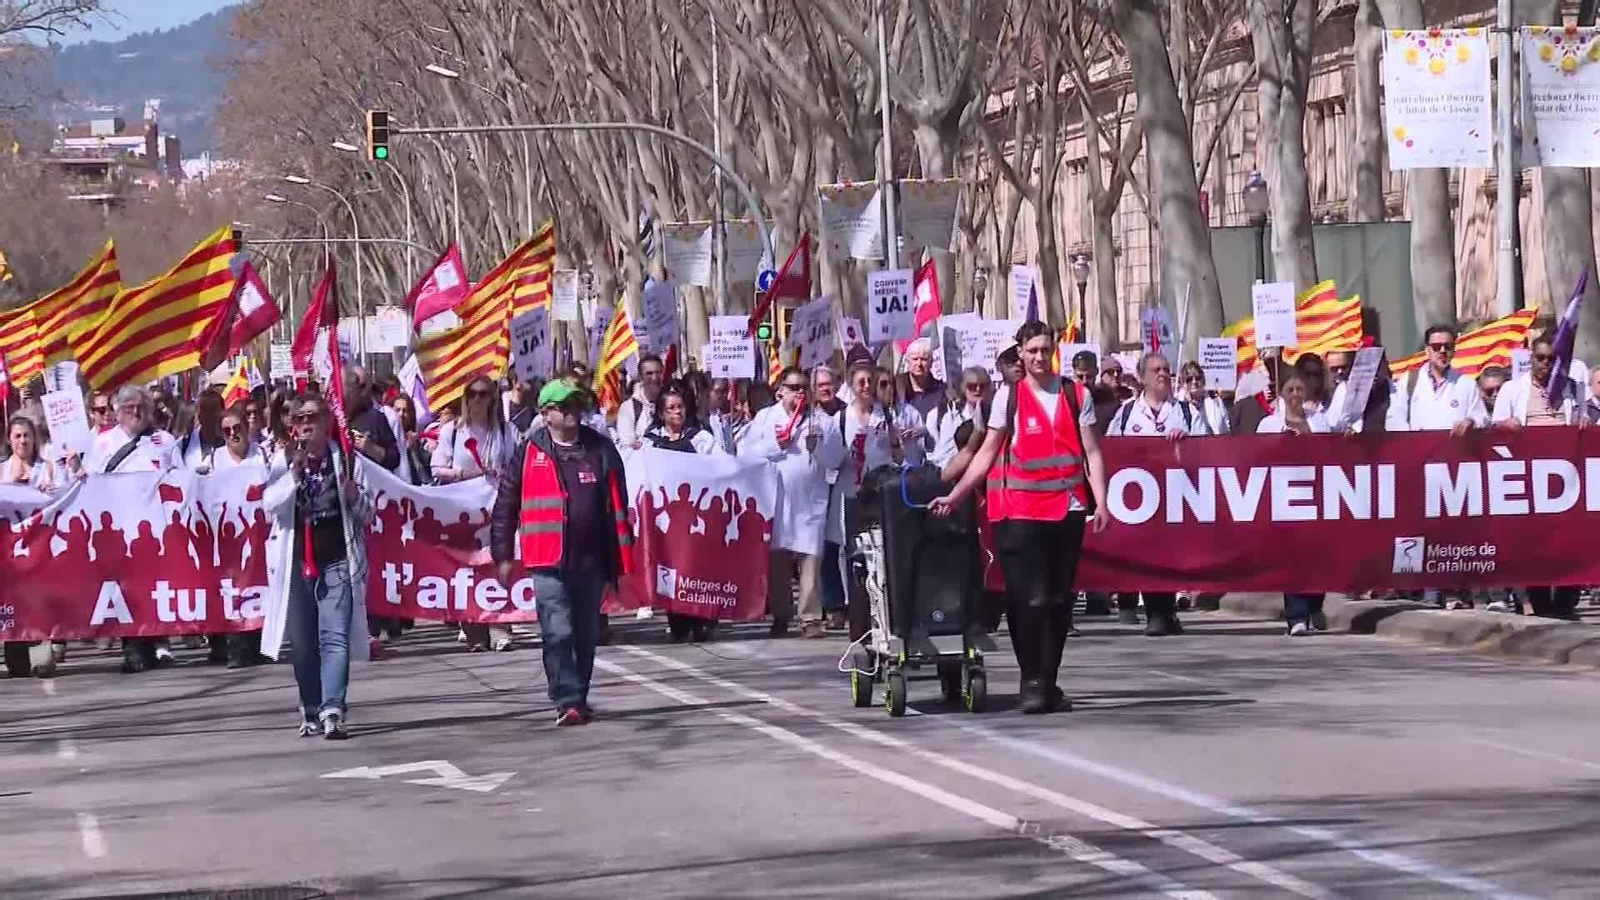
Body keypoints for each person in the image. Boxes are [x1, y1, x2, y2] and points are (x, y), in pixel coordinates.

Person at [931, 320, 1109, 714]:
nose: (1039, 357)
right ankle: (1031, 680)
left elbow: (1092, 453)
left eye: (1045, 350)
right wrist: (956, 495)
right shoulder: (1007, 398)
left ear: (1054, 351)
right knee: (1031, 598)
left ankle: (1049, 680)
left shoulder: (1076, 395)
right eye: (1032, 351)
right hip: (1020, 511)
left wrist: (1102, 502)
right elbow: (986, 453)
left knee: (1059, 600)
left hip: (1068, 508)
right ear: (1021, 355)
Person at [491, 380, 634, 727]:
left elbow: (619, 500)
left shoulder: (600, 448)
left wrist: (620, 552)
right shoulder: (528, 452)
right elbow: (505, 504)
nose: (572, 412)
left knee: (586, 634)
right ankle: (566, 699)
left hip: (592, 559)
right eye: (564, 406)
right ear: (546, 413)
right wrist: (503, 554)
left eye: (576, 404)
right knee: (557, 632)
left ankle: (578, 697)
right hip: (547, 559)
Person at [260, 394, 374, 739]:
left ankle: (332, 709)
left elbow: (368, 515)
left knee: (334, 637)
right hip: (297, 564)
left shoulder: (347, 461)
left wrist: (355, 498)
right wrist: (293, 476)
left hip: (337, 560)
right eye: (300, 419)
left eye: (312, 418)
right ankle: (310, 708)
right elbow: (270, 506)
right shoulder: (283, 461)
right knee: (304, 644)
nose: (306, 425)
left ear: (326, 423)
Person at [738, 365, 845, 639]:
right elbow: (745, 453)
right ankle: (781, 615)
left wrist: (818, 448)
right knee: (778, 563)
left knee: (810, 561)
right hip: (776, 500)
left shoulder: (822, 421)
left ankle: (810, 618)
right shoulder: (765, 419)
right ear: (780, 391)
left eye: (804, 388)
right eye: (794, 388)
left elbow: (836, 459)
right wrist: (776, 445)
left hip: (810, 501)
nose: (800, 394)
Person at [1104, 352, 1188, 635]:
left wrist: (1187, 441)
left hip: (1177, 494)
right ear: (1142, 377)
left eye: (1166, 369)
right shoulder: (1127, 413)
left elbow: (1210, 445)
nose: (1162, 374)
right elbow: (1111, 450)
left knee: (1172, 555)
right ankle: (1156, 613)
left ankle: (1166, 612)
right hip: (1140, 497)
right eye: (1156, 370)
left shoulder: (1185, 411)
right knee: (1148, 554)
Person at [432, 374, 518, 652]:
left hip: (497, 509)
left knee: (497, 563)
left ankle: (501, 626)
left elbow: (518, 464)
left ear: (493, 398)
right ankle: (473, 629)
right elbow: (437, 468)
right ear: (465, 399)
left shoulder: (505, 431)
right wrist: (465, 474)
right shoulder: (453, 431)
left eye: (484, 394)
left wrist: (503, 474)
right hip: (464, 510)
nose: (478, 399)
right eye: (472, 394)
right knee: (467, 567)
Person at [645, 382, 722, 642]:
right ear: (661, 413)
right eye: (671, 408)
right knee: (670, 568)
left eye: (680, 407)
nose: (677, 412)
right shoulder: (651, 442)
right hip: (667, 520)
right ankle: (677, 619)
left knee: (696, 567)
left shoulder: (701, 439)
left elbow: (721, 466)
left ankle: (702, 619)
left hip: (696, 516)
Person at [1255, 372, 1330, 635]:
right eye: (1290, 390)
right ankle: (1297, 616)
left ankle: (1315, 604)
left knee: (1318, 556)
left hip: (1317, 496)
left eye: (1300, 389)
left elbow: (1332, 453)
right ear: (1282, 394)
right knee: (1293, 557)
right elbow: (1256, 456)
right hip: (1284, 499)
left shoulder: (1320, 421)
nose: (1295, 395)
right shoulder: (1268, 424)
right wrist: (1280, 442)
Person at [931, 367, 993, 467]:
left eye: (982, 386)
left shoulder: (995, 413)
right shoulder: (952, 414)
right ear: (964, 389)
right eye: (972, 386)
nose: (978, 389)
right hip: (953, 468)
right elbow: (945, 451)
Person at [874, 365, 926, 467]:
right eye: (883, 384)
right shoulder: (870, 413)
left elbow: (925, 434)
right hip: (881, 469)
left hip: (910, 467)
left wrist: (918, 431)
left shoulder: (907, 410)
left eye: (891, 383)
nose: (889, 388)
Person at [614, 353, 665, 452]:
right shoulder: (629, 407)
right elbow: (626, 443)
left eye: (658, 372)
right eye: (649, 373)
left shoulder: (672, 403)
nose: (654, 377)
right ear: (641, 377)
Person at [1175, 360, 1229, 436]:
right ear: (1183, 383)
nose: (1194, 382)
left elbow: (1227, 428)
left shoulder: (1215, 401)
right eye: (1189, 379)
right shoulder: (1177, 405)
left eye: (1198, 378)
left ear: (1203, 381)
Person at [898, 338, 947, 419]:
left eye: (924, 359)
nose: (919, 364)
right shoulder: (896, 387)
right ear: (907, 361)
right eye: (915, 359)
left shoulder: (942, 391)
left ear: (931, 362)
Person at [6, 416, 59, 491]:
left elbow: (63, 492)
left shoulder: (48, 468)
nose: (23, 441)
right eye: (18, 436)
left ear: (33, 438)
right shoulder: (2, 471)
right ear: (9, 439)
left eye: (26, 435)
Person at [391, 394, 431, 485]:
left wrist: (416, 448)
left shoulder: (421, 437)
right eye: (397, 410)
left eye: (405, 411)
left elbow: (429, 466)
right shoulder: (388, 436)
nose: (401, 414)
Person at [182, 389, 226, 470]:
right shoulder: (184, 443)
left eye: (213, 409)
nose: (209, 414)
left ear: (222, 412)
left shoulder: (230, 444)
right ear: (197, 413)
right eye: (205, 409)